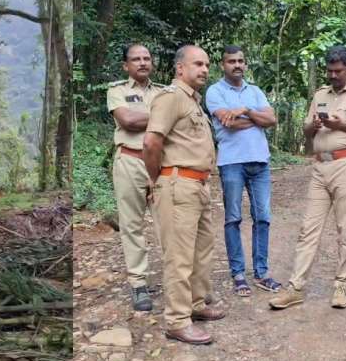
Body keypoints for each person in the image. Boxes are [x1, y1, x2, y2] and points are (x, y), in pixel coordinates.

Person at [269, 45, 346, 310]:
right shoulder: (320, 94)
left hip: (345, 165)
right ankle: (295, 288)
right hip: (320, 168)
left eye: (338, 71)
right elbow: (307, 130)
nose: (333, 75)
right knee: (308, 229)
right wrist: (314, 125)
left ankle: (342, 286)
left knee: (345, 229)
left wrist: (341, 125)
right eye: (330, 71)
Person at [143, 45, 225, 345]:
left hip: (198, 185)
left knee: (202, 249)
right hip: (177, 185)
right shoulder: (171, 98)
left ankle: (195, 304)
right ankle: (177, 320)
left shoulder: (193, 102)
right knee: (178, 256)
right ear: (180, 68)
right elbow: (151, 143)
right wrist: (158, 181)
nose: (204, 69)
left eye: (206, 65)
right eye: (197, 64)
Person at [205, 45, 280, 297]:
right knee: (233, 218)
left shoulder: (255, 91)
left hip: (260, 161)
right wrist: (256, 118)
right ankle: (238, 274)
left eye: (241, 61)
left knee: (263, 218)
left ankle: (262, 272)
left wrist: (246, 111)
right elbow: (230, 123)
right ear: (222, 65)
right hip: (231, 162)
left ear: (245, 64)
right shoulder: (214, 91)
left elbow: (272, 120)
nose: (237, 65)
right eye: (231, 61)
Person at [107, 44, 165, 311]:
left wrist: (154, 117)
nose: (142, 63)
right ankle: (139, 284)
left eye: (146, 58)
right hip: (129, 161)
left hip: (162, 164)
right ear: (125, 65)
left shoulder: (164, 92)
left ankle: (180, 282)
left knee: (169, 224)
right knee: (132, 225)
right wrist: (163, 117)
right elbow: (127, 121)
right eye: (136, 59)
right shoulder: (117, 90)